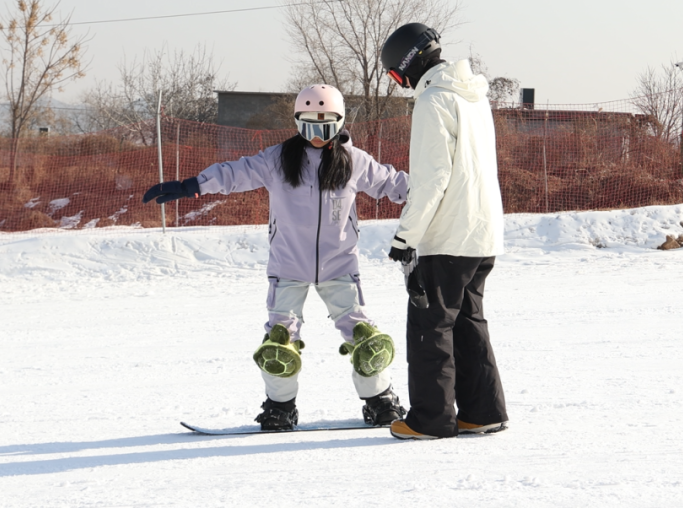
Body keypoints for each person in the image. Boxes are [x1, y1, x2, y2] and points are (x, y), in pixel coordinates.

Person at [142, 84, 409, 431]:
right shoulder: (278, 159)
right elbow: (235, 173)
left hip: (340, 266)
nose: (316, 136)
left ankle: (380, 401)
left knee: (365, 338)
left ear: (340, 124)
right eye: (309, 126)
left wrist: (433, 191)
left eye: (325, 126)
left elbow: (393, 183)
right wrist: (194, 184)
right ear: (297, 124)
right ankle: (280, 408)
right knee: (279, 343)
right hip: (288, 267)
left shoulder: (355, 161)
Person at [379, 22, 509, 440]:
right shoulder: (473, 98)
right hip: (481, 233)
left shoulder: (433, 101)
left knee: (429, 325)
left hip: (447, 235)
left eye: (397, 78)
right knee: (469, 323)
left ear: (407, 65)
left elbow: (432, 179)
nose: (401, 86)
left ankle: (431, 420)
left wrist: (405, 238)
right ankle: (482, 411)